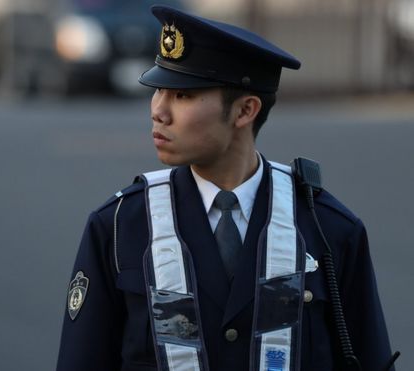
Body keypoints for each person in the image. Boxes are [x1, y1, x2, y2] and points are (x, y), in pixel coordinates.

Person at [56, 5, 395, 371]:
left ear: (245, 111)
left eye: (182, 95)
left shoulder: (328, 230)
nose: (158, 111)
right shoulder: (120, 226)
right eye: (158, 90)